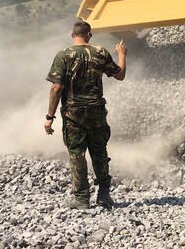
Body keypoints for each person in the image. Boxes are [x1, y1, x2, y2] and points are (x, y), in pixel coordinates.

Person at [44, 20, 127, 209]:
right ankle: (104, 195)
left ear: (72, 35)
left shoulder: (63, 55)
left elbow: (56, 87)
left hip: (74, 115)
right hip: (96, 112)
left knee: (77, 154)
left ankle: (81, 198)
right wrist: (122, 54)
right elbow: (120, 75)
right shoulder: (100, 52)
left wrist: (50, 117)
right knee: (99, 152)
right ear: (89, 34)